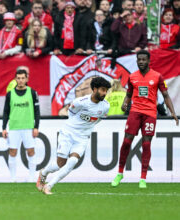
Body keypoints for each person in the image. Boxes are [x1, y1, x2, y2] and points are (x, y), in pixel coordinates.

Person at [111, 50, 179, 189]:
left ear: (149, 61)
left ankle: (143, 178)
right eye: (139, 59)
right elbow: (128, 94)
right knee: (126, 142)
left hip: (150, 114)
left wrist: (173, 112)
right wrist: (125, 102)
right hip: (135, 112)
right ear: (136, 61)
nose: (141, 62)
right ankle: (119, 173)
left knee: (146, 144)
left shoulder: (157, 76)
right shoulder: (132, 77)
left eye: (143, 59)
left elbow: (165, 95)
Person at [36, 77, 111, 195]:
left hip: (82, 138)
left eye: (106, 90)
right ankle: (44, 173)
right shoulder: (80, 102)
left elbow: (98, 120)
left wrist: (85, 130)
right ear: (95, 89)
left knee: (72, 162)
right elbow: (71, 113)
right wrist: (75, 127)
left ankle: (49, 186)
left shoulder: (105, 106)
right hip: (68, 133)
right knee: (60, 164)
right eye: (102, 90)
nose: (104, 93)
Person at [2, 69, 40, 182]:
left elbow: (37, 111)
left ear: (27, 79)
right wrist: (4, 128)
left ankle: (32, 177)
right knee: (12, 152)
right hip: (14, 127)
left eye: (23, 78)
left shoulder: (32, 92)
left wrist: (36, 126)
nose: (21, 80)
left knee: (30, 151)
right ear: (15, 79)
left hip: (28, 127)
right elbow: (6, 112)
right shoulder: (10, 94)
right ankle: (13, 178)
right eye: (18, 78)